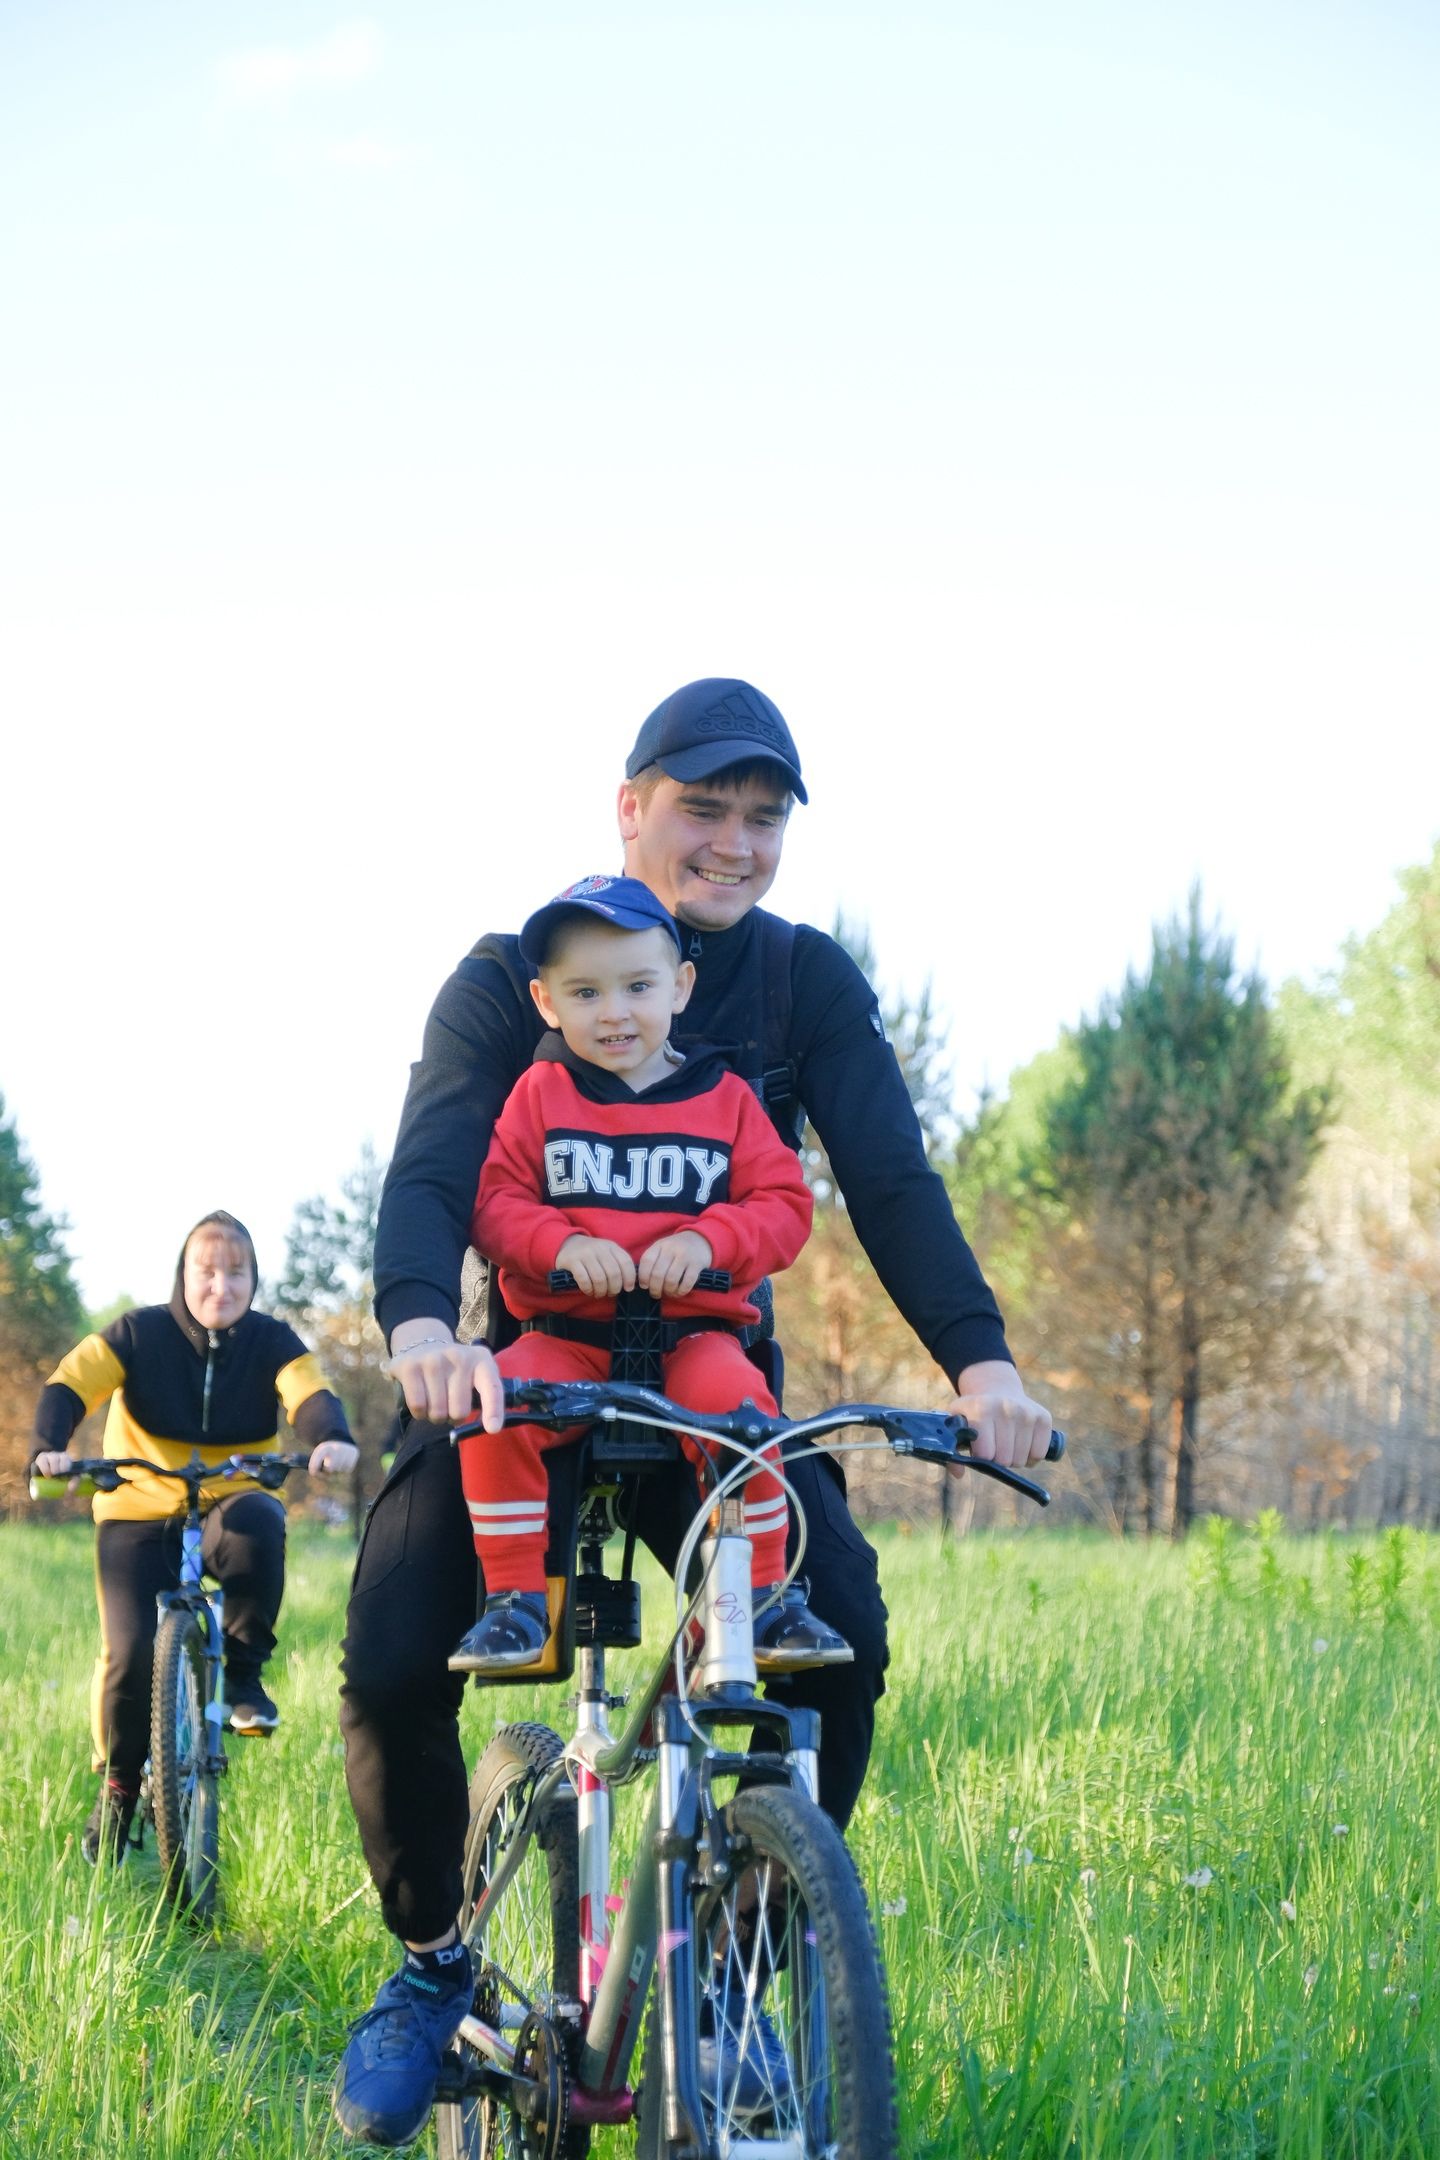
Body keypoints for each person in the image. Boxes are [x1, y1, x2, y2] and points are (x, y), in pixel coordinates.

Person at [333, 677, 1052, 2148]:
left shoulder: (800, 984)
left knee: (834, 1641)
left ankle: (740, 1944)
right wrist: (419, 1321)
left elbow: (888, 1181)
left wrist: (983, 1363)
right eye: (701, 809)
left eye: (760, 819)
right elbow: (436, 1161)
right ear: (630, 806)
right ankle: (430, 1967)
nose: (732, 843)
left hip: (707, 1391)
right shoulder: (518, 973)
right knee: (396, 1649)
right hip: (519, 1375)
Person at [449, 871, 849, 1675]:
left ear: (681, 986)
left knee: (740, 1413)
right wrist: (558, 1245)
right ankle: (517, 1605)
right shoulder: (540, 1095)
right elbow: (491, 1201)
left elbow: (784, 1205)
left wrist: (710, 1241)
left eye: (638, 985)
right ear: (547, 1002)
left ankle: (765, 1600)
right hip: (567, 1339)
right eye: (586, 992)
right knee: (497, 1403)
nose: (616, 1011)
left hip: (691, 1337)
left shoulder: (726, 1100)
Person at [30, 1209, 358, 1863]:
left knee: (260, 1522)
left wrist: (333, 1439)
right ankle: (121, 1788)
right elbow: (71, 1381)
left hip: (227, 1499)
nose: (221, 1287)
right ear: (183, 1276)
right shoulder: (140, 1332)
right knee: (128, 1652)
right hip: (136, 1504)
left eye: (237, 1274)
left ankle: (243, 1681)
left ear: (253, 1282)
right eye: (206, 1272)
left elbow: (310, 1395)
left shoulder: (271, 1341)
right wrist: (49, 1448)